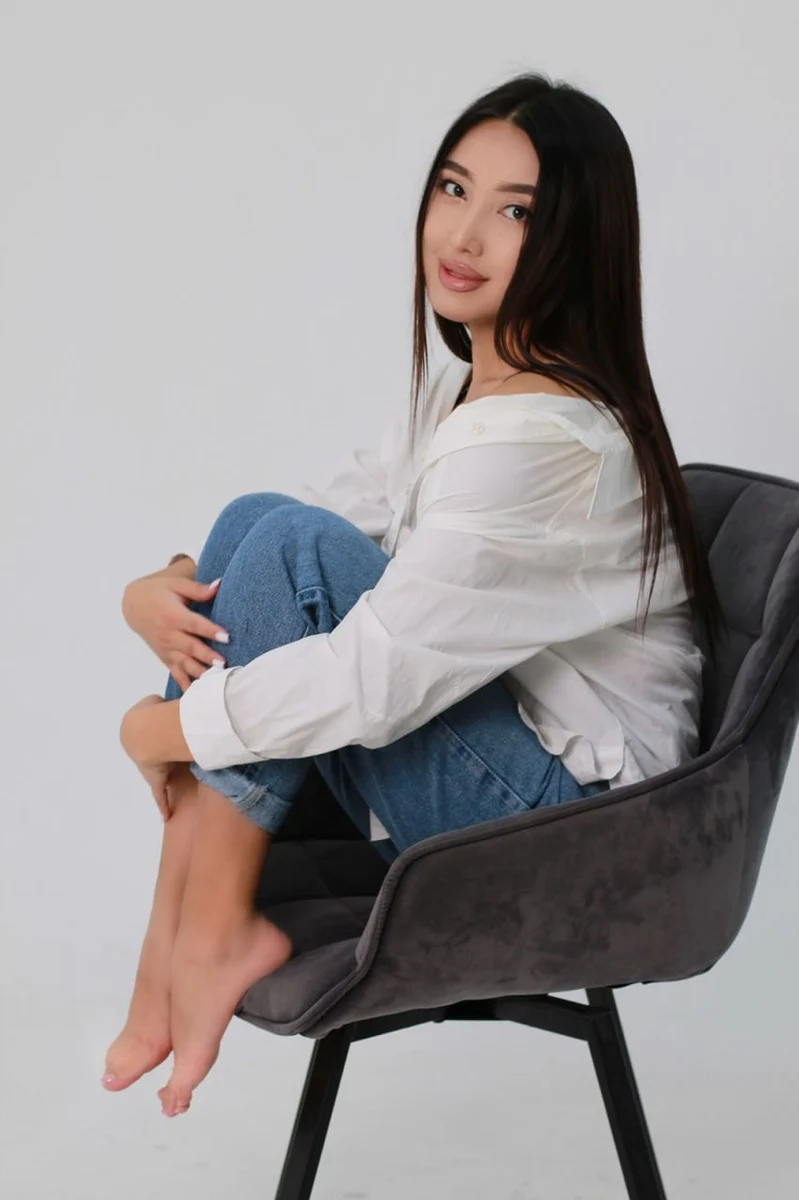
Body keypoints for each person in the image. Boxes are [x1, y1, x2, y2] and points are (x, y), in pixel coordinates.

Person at [103, 70, 724, 1119]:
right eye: (453, 188)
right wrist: (156, 586)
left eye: (514, 211)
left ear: (576, 241)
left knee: (290, 551)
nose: (464, 234)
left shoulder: (548, 441)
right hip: (518, 769)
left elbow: (375, 678)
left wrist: (161, 731)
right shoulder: (471, 388)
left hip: (584, 835)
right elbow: (306, 528)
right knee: (260, 521)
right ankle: (180, 932)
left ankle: (205, 932)